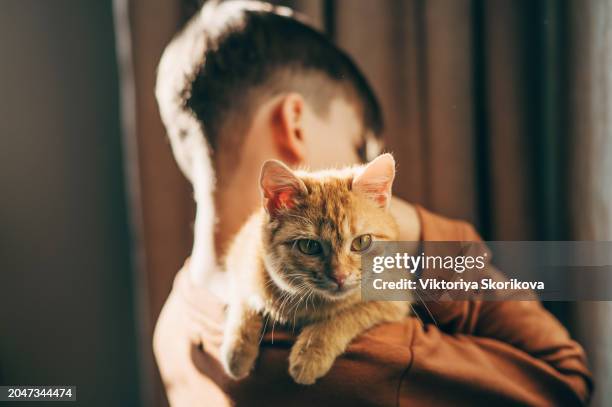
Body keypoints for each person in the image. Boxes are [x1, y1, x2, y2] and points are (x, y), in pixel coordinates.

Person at [153, 1, 592, 405]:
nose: (360, 167)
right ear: (295, 126)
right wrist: (420, 228)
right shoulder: (375, 360)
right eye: (359, 146)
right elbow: (566, 378)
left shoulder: (173, 322)